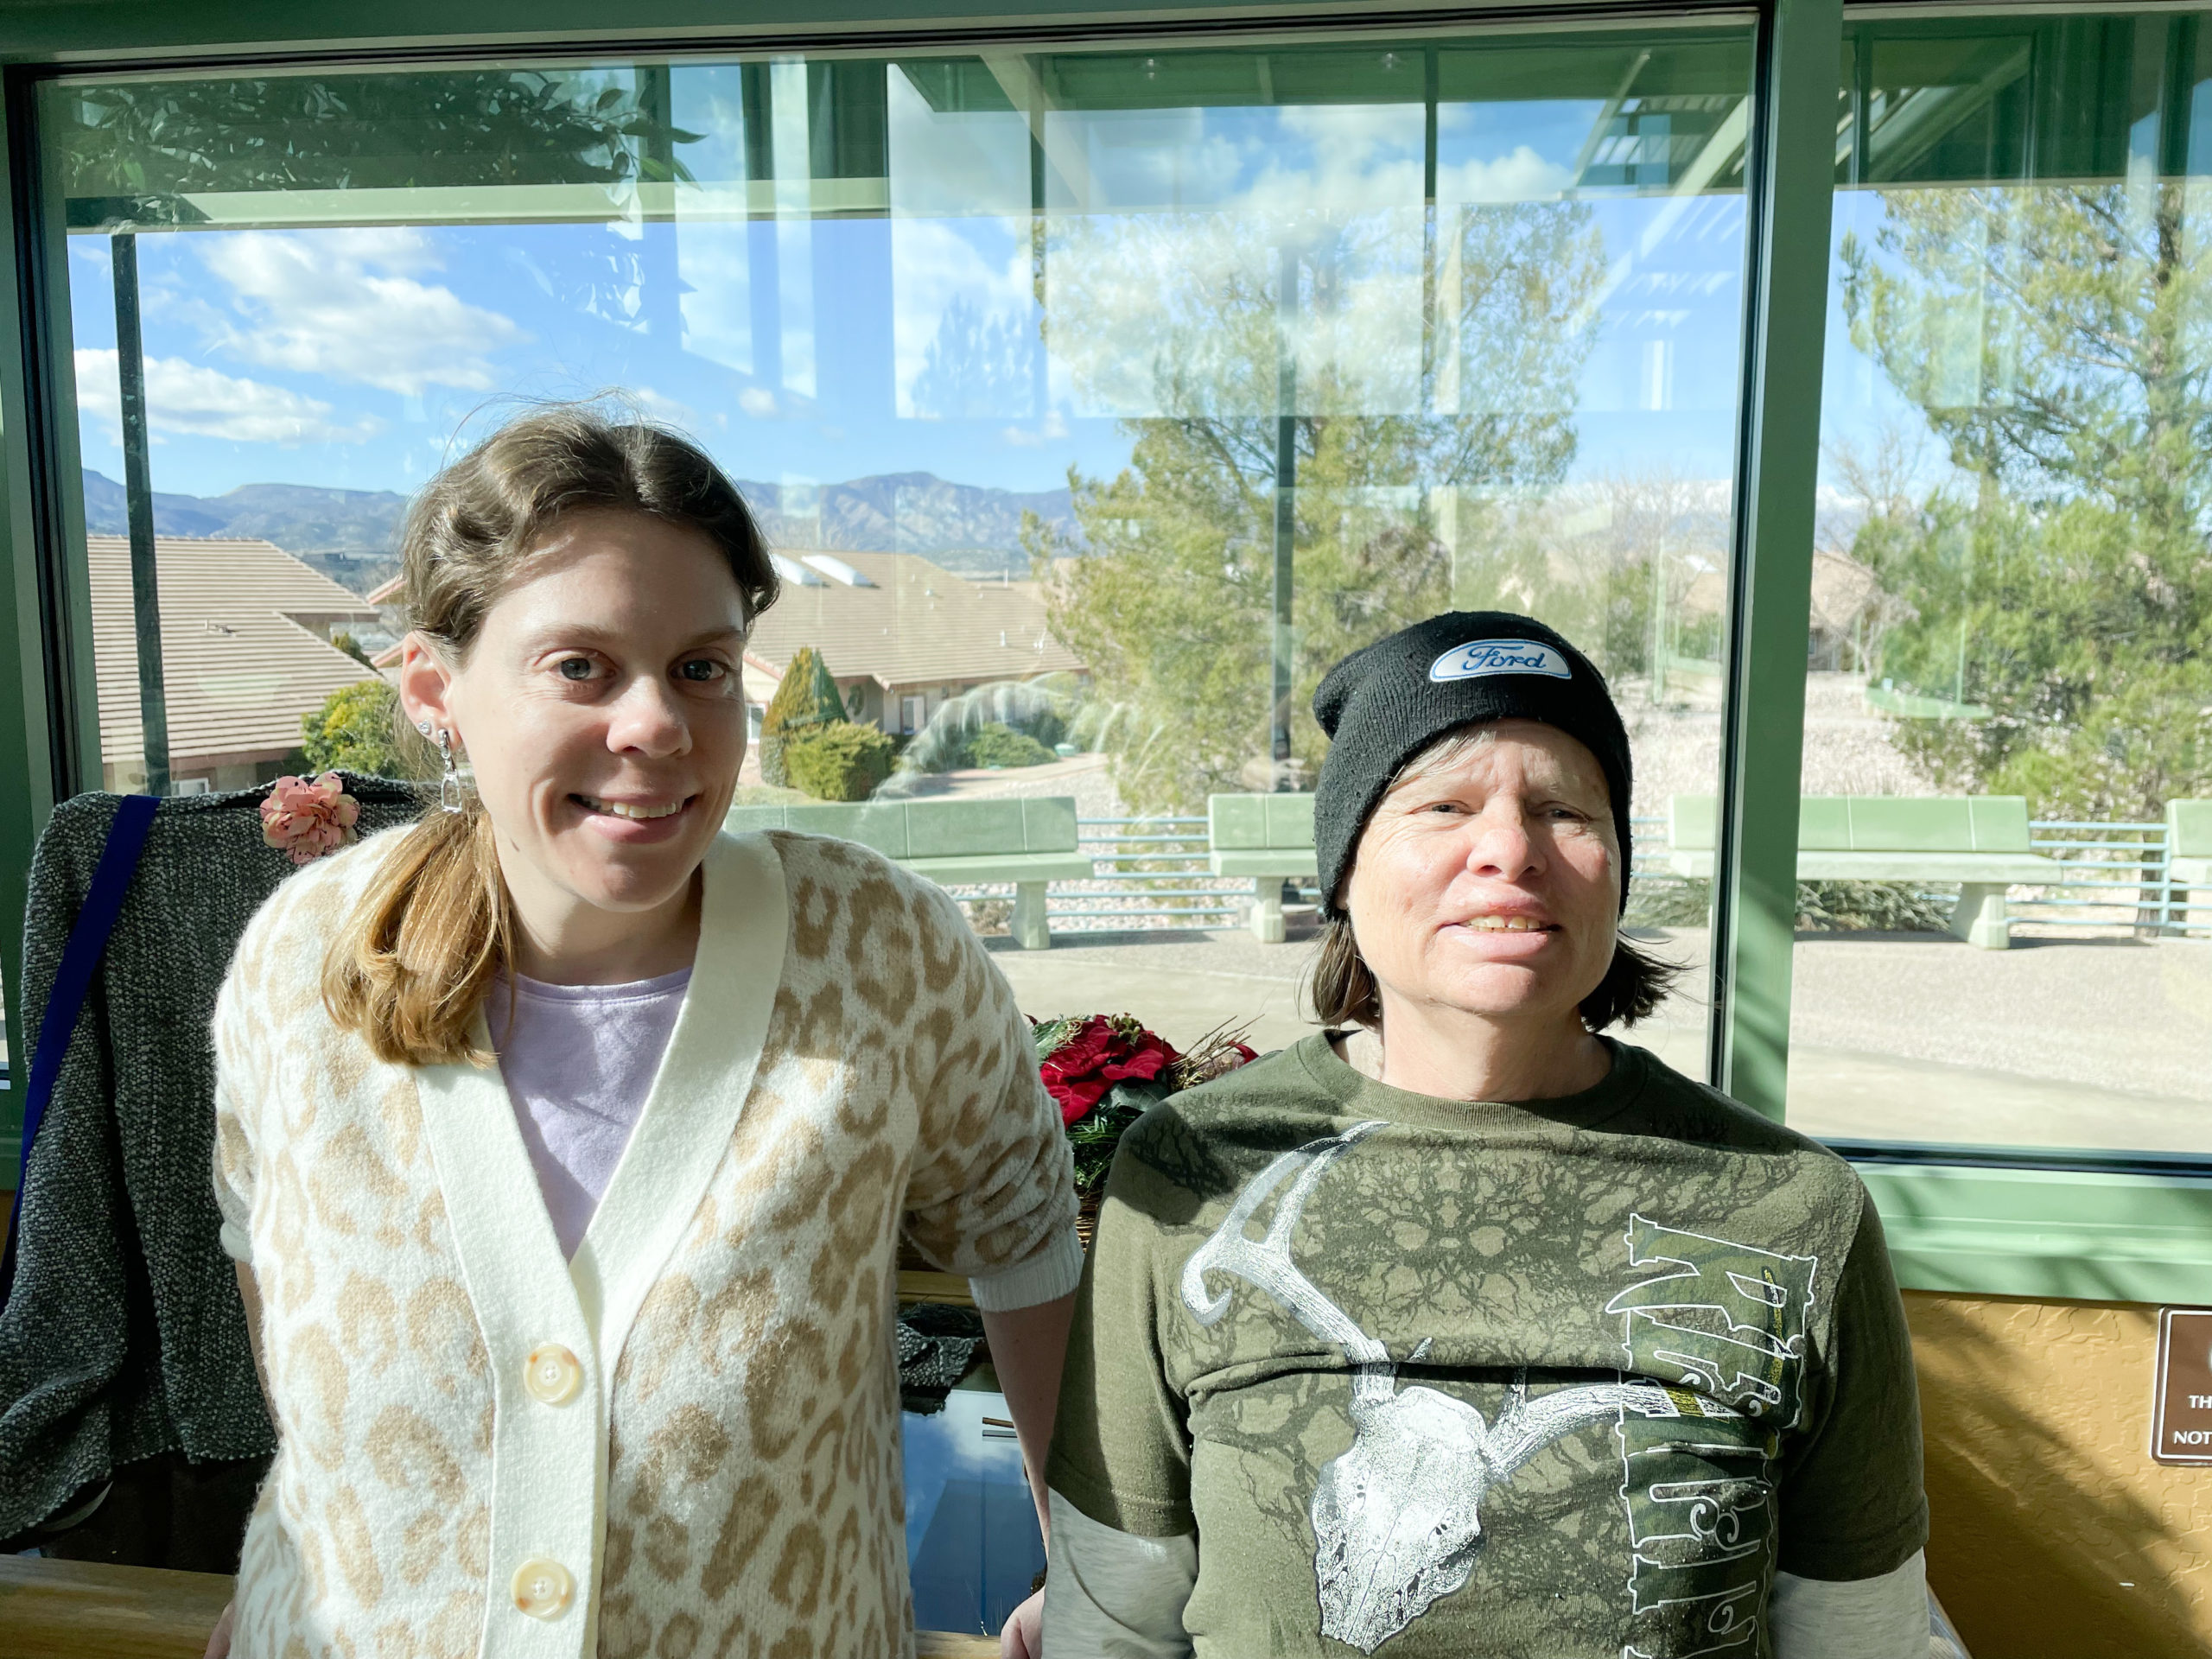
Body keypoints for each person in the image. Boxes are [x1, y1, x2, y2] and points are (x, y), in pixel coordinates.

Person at [201, 404, 1080, 1659]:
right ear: (436, 690)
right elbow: (269, 1263)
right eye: (582, 668)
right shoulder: (307, 959)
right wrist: (307, 1547)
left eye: (701, 668)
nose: (657, 726)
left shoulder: (879, 952)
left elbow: (1027, 1232)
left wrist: (1089, 1570)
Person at [1042, 613, 1930, 1657]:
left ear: (1617, 869)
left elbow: (1859, 1635)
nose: (1508, 849)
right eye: (1443, 806)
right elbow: (1113, 1622)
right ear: (1343, 872)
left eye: (1564, 810)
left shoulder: (1792, 1208)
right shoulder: (1194, 1175)